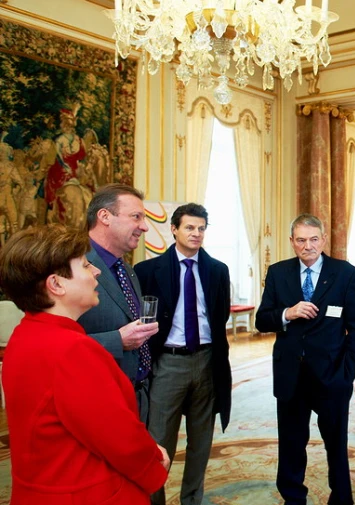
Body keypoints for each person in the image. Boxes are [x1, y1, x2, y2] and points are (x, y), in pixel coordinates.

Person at [0, 225, 170, 504]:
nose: (97, 272)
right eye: (85, 265)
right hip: (86, 492)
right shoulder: (72, 350)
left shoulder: (25, 334)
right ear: (56, 284)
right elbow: (117, 436)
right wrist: (153, 460)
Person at [255, 214, 355, 505]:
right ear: (292, 242)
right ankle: (293, 498)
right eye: (301, 240)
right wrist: (286, 314)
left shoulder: (345, 273)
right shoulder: (278, 273)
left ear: (323, 240)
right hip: (291, 375)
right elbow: (262, 320)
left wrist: (347, 372)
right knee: (291, 445)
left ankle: (341, 499)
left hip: (331, 376)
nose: (308, 246)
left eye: (314, 239)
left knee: (336, 445)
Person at [135, 203, 232, 505]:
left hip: (206, 362)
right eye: (190, 227)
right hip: (167, 364)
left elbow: (220, 316)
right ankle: (154, 500)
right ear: (174, 229)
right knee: (157, 441)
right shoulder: (148, 271)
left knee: (201, 442)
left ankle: (192, 499)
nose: (196, 233)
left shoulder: (217, 270)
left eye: (201, 228)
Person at [78, 183, 159, 422]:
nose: (144, 227)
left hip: (137, 398)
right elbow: (51, 344)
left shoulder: (126, 270)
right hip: (97, 404)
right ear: (105, 216)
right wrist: (117, 341)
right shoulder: (73, 266)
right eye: (136, 217)